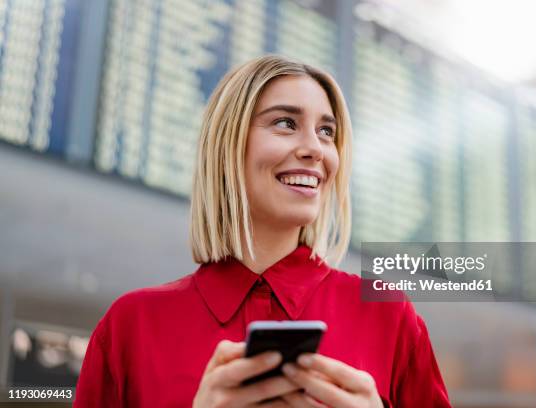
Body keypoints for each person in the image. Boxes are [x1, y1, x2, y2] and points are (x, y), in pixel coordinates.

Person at [74, 55, 451, 407]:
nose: (315, 149)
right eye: (285, 123)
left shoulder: (388, 314)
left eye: (326, 131)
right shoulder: (131, 326)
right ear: (228, 146)